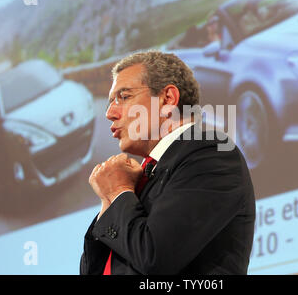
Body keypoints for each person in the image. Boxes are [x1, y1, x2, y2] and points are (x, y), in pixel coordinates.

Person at [80, 50, 255, 275]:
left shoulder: (211, 154)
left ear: (167, 99)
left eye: (124, 97)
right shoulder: (141, 177)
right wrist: (108, 200)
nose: (110, 113)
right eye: (110, 102)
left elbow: (155, 257)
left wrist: (117, 192)